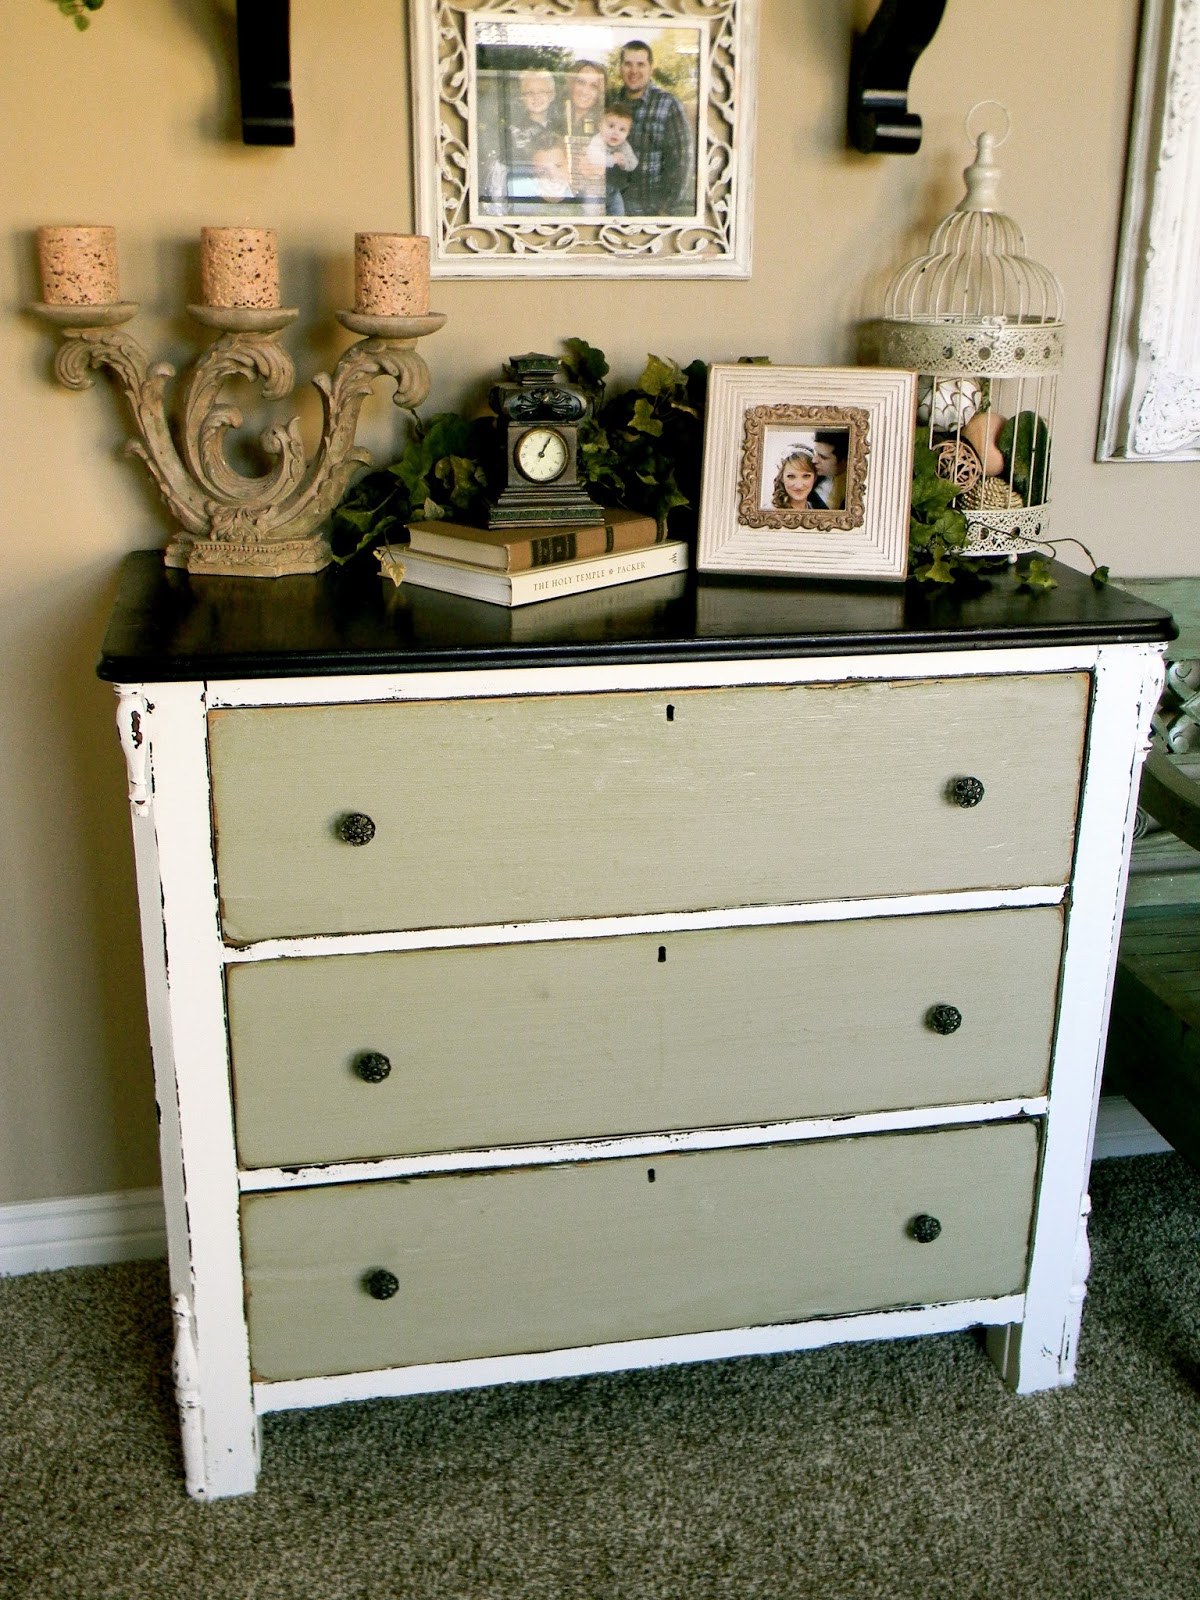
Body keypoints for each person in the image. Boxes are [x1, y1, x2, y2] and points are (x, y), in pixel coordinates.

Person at [614, 40, 695, 217]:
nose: (633, 71)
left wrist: (665, 210)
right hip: (613, 213)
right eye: (628, 64)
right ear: (620, 67)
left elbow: (682, 160)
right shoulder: (611, 103)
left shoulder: (667, 104)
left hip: (651, 215)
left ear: (651, 68)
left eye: (640, 64)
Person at [564, 59, 608, 211]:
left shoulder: (606, 126)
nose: (585, 91)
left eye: (593, 86)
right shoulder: (556, 116)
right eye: (581, 82)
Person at [585, 101, 639, 215]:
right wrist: (612, 159)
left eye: (622, 130)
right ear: (600, 126)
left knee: (618, 213)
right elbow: (593, 158)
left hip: (614, 190)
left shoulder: (624, 145)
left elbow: (633, 162)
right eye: (611, 126)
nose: (615, 132)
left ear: (628, 133)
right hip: (594, 189)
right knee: (591, 214)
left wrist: (624, 163)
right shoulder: (597, 140)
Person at [812, 432, 848, 511]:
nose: (814, 460)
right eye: (816, 453)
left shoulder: (853, 488)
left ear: (844, 462)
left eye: (823, 457)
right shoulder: (809, 472)